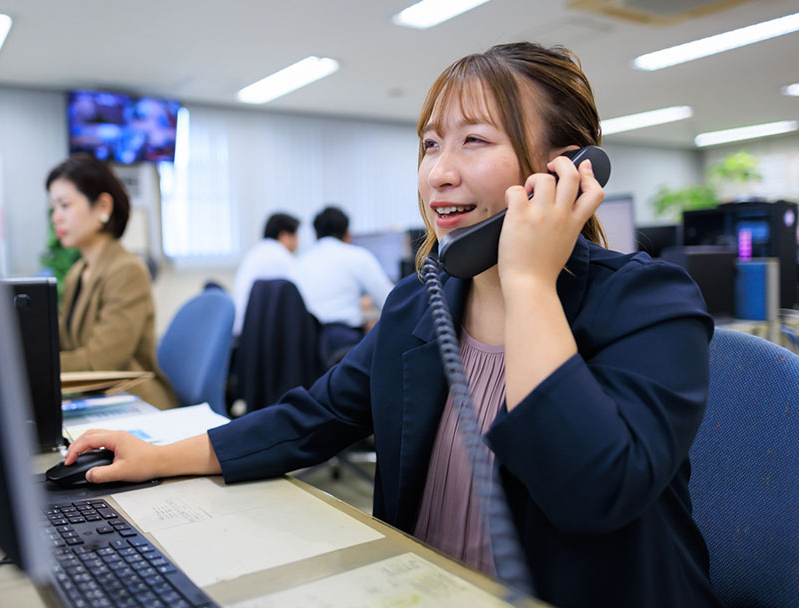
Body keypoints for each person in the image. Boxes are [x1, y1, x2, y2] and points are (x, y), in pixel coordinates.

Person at [62, 42, 719, 607]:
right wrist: (157, 456)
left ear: (566, 173)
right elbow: (313, 418)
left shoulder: (650, 303)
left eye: (474, 140)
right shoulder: (420, 303)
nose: (438, 171)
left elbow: (591, 490)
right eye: (430, 144)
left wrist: (528, 283)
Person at [47, 154, 177, 410]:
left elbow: (101, 360)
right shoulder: (78, 272)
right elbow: (62, 337)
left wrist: (37, 365)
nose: (56, 217)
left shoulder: (127, 271)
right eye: (54, 207)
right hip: (97, 399)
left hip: (136, 403)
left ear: (103, 207)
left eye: (64, 205)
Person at [290, 206, 394, 358]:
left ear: (316, 234)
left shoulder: (299, 261)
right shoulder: (358, 256)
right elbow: (390, 301)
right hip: (342, 343)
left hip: (304, 345)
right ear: (347, 234)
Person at [231, 213, 300, 336]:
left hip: (243, 330)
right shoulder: (280, 256)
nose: (298, 242)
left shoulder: (256, 252)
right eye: (295, 236)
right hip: (256, 331)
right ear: (284, 236)